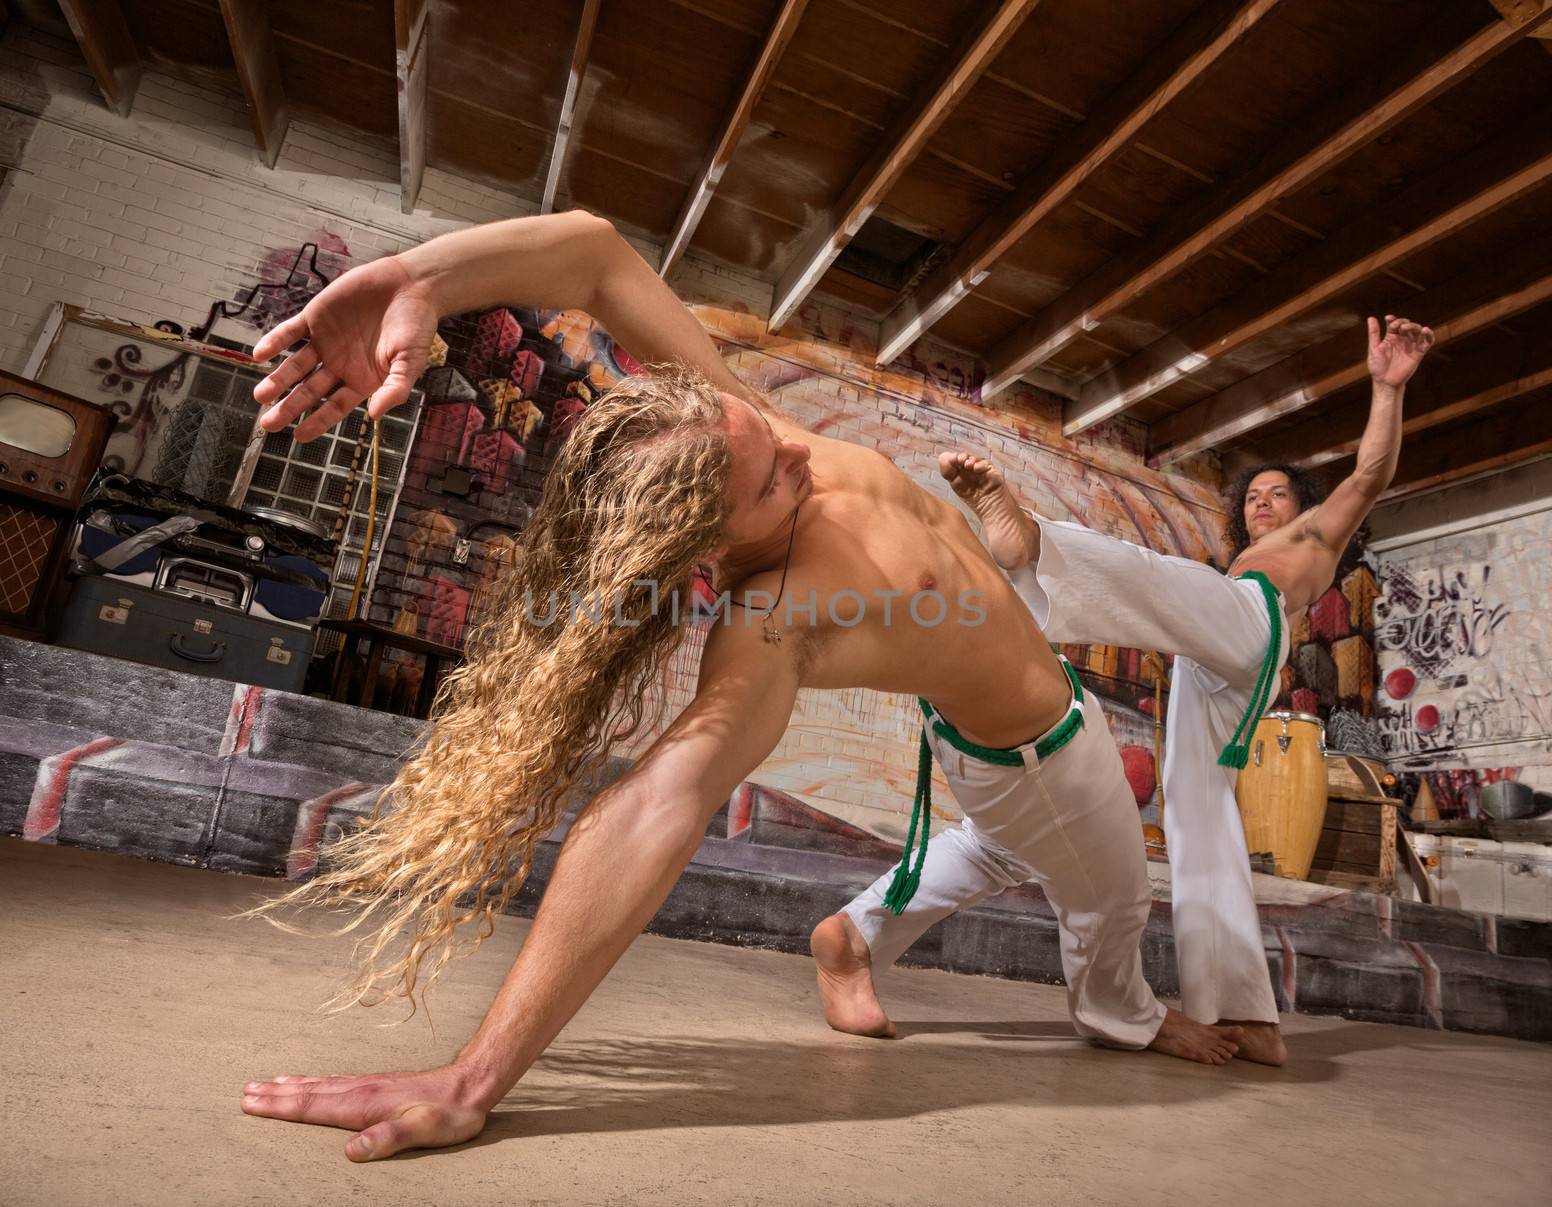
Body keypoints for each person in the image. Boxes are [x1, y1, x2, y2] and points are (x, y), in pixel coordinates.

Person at [236, 211, 1240, 1163]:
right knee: (1114, 901)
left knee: (987, 846)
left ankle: (850, 939)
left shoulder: (732, 430)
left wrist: (421, 276)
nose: (798, 449)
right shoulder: (776, 620)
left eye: (767, 440)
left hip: (980, 745)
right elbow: (656, 804)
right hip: (1045, 751)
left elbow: (592, 254)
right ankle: (1128, 1018)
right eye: (773, 482)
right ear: (707, 545)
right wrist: (475, 1079)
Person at [865, 316, 1435, 1066]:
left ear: (1304, 508)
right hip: (1215, 660)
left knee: (1157, 576)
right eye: (1254, 496)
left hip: (1252, 629)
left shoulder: (1311, 542)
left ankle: (1033, 542)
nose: (1263, 504)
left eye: (1278, 494)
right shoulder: (1240, 561)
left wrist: (1387, 388)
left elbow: (1370, 474)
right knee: (1199, 816)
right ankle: (1247, 1014)